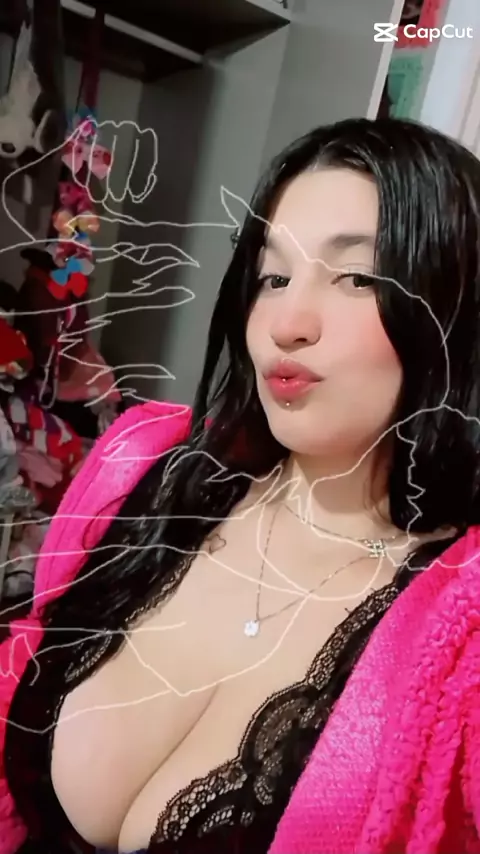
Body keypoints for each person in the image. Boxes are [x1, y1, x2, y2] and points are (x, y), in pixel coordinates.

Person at [1, 115, 480, 854]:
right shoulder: (142, 469)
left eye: (357, 276)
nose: (287, 323)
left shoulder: (457, 642)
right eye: (272, 277)